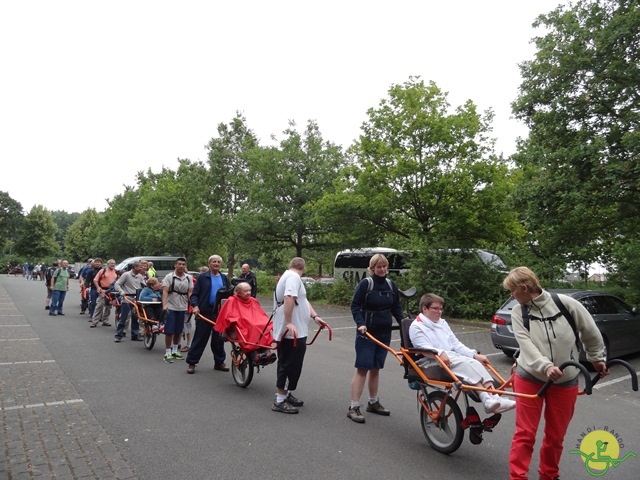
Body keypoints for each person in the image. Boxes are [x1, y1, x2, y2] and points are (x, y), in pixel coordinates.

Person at [503, 267, 608, 480]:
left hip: (566, 380)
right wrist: (545, 366)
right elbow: (526, 345)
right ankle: (517, 476)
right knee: (525, 433)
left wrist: (596, 358)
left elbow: (590, 332)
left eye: (512, 291)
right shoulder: (518, 311)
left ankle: (549, 475)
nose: (511, 296)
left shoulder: (566, 304)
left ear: (524, 288)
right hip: (529, 377)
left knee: (556, 436)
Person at [409, 293, 516, 415]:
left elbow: (456, 344)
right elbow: (422, 347)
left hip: (449, 357)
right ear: (424, 308)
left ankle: (494, 397)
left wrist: (474, 355)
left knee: (474, 362)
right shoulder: (416, 326)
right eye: (435, 309)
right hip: (430, 361)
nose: (439, 312)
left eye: (441, 309)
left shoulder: (442, 323)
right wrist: (440, 352)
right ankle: (486, 399)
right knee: (464, 363)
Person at [347, 253, 403, 423]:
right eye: (379, 267)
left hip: (384, 332)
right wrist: (360, 323)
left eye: (384, 266)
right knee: (363, 368)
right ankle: (354, 406)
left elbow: (396, 307)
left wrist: (406, 326)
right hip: (367, 333)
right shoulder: (366, 284)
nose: (382, 269)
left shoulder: (390, 285)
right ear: (372, 268)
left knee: (376, 368)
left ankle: (373, 402)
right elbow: (355, 306)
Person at [271, 257, 324, 414]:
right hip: (291, 332)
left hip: (297, 330)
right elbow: (289, 298)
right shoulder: (293, 278)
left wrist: (315, 316)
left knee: (293, 364)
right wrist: (289, 323)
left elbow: (303, 300)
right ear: (303, 267)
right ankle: (279, 400)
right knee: (288, 364)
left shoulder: (290, 277)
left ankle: (286, 394)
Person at [186, 255, 232, 374]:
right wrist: (195, 306)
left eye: (218, 262)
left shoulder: (224, 278)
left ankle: (219, 362)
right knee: (200, 338)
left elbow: (229, 294)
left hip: (219, 313)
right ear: (209, 264)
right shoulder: (203, 277)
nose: (216, 264)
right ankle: (192, 362)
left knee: (218, 339)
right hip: (204, 312)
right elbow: (194, 294)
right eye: (214, 262)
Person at [214, 282, 275, 358]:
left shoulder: (252, 300)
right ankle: (253, 351)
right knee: (252, 326)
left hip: (252, 320)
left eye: (249, 290)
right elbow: (228, 315)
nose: (249, 293)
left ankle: (265, 348)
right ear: (238, 292)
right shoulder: (232, 300)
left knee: (264, 324)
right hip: (240, 323)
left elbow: (260, 313)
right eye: (246, 291)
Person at [161, 258, 193, 364]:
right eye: (179, 264)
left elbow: (190, 293)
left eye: (183, 264)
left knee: (179, 330)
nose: (181, 266)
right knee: (169, 330)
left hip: (182, 307)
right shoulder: (169, 277)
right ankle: (167, 352)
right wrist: (164, 305)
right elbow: (165, 292)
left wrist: (193, 305)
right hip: (171, 306)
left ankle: (175, 351)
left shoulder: (188, 278)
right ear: (175, 265)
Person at [113, 261, 146, 342]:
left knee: (135, 318)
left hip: (136, 299)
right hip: (127, 298)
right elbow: (117, 284)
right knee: (123, 317)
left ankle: (134, 335)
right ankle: (118, 335)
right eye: (139, 267)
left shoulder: (140, 276)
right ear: (134, 267)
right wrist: (121, 292)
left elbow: (144, 286)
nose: (141, 269)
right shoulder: (126, 275)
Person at [90, 259, 118, 327]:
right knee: (99, 306)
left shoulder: (116, 272)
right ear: (108, 264)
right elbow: (95, 280)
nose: (113, 265)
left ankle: (105, 321)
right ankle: (94, 322)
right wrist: (98, 288)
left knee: (108, 307)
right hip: (103, 290)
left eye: (114, 263)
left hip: (111, 291)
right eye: (111, 263)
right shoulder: (103, 271)